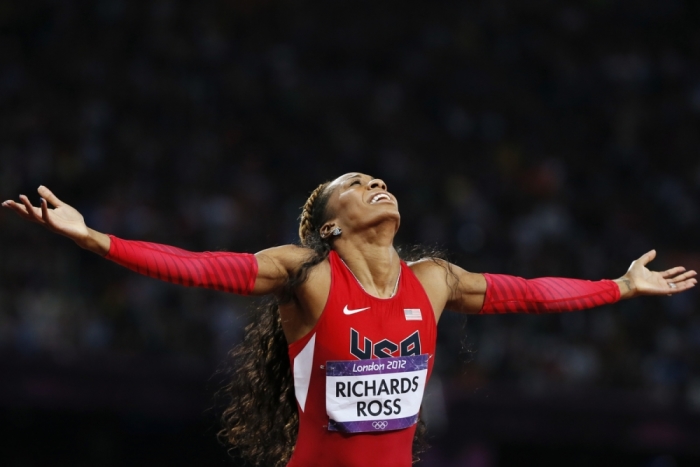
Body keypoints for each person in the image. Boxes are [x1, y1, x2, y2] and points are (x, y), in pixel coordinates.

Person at [2, 174, 696, 467]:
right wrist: (95, 238)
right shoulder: (306, 274)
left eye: (381, 180)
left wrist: (618, 285)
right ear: (332, 222)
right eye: (358, 183)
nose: (377, 183)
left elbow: (532, 292)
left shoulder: (433, 280)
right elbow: (200, 266)